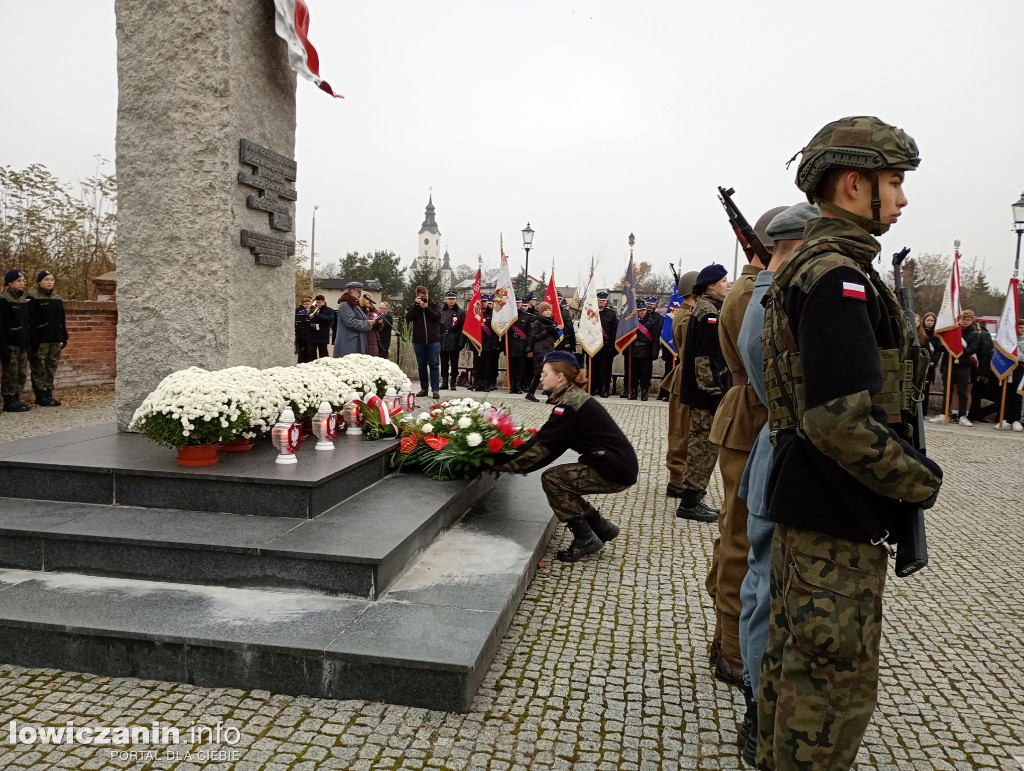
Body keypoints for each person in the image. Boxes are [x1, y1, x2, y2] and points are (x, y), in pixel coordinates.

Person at [757, 116, 943, 771]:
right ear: (854, 183)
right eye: (893, 182)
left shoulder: (824, 266)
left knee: (793, 689)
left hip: (817, 515)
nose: (902, 197)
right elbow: (837, 420)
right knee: (826, 710)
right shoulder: (838, 277)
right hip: (832, 524)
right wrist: (920, 478)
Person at [733, 202, 818, 766]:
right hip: (786, 455)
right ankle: (759, 704)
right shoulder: (777, 298)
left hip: (771, 454)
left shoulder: (763, 294)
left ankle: (756, 697)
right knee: (765, 589)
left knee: (759, 585)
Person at [705, 206, 784, 690]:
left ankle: (726, 632)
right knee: (740, 537)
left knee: (736, 532)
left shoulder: (752, 286)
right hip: (750, 414)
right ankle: (732, 648)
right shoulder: (751, 290)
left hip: (749, 414)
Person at [495, 350, 637, 562]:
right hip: (616, 465)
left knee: (554, 479)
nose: (540, 377)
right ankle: (601, 527)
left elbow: (544, 446)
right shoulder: (572, 399)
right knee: (565, 479)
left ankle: (585, 538)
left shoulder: (570, 405)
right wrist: (514, 463)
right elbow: (551, 446)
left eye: (544, 373)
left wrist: (500, 463)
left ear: (559, 376)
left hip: (614, 469)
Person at [676, 263, 731, 522]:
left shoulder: (706, 308)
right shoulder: (709, 313)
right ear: (711, 285)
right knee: (703, 446)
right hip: (704, 393)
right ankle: (689, 502)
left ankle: (694, 497)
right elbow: (704, 359)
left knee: (704, 445)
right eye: (723, 281)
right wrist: (714, 392)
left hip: (701, 392)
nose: (727, 285)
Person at [664, 271, 699, 499]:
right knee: (681, 431)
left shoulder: (688, 314)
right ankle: (677, 480)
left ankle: (682, 478)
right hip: (686, 378)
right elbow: (690, 351)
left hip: (686, 377)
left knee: (685, 430)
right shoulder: (687, 318)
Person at [25, 269, 69, 407]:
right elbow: (30, 321)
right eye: (46, 280)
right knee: (39, 367)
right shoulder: (33, 298)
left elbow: (61, 320)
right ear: (39, 282)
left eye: (51, 280)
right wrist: (34, 340)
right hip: (41, 340)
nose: (49, 282)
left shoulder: (57, 298)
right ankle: (40, 394)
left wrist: (63, 336)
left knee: (51, 367)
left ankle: (49, 393)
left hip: (55, 338)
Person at [0, 269, 33, 412]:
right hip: (11, 343)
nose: (22, 283)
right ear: (10, 283)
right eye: (19, 281)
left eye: (23, 281)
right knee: (10, 372)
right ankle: (9, 400)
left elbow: (26, 323)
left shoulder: (23, 300)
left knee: (21, 372)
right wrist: (3, 344)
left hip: (22, 342)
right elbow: (2, 324)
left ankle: (17, 398)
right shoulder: (4, 300)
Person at [405, 285, 442, 398]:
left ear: (427, 294)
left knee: (434, 365)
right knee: (421, 366)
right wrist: (416, 306)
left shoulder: (434, 304)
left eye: (424, 296)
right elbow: (408, 318)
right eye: (420, 296)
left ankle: (435, 390)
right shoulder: (414, 306)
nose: (422, 298)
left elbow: (437, 317)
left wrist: (427, 307)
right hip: (419, 340)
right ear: (417, 296)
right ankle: (424, 388)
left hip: (433, 340)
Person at [524, 302, 558, 401]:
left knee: (541, 374)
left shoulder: (551, 322)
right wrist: (546, 331)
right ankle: (549, 396)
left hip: (550, 350)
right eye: (546, 310)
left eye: (550, 310)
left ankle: (530, 393)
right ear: (541, 312)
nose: (549, 312)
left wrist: (554, 331)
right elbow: (534, 337)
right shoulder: (537, 322)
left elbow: (554, 339)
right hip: (540, 350)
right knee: (544, 373)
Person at [626, 303, 659, 400]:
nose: (642, 312)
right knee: (634, 373)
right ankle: (634, 391)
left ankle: (644, 391)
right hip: (634, 351)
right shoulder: (632, 322)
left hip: (646, 352)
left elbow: (655, 339)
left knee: (646, 373)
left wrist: (654, 353)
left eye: (644, 310)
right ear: (636, 311)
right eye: (640, 310)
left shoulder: (651, 322)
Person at [333, 282, 372, 358]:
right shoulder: (345, 304)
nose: (361, 294)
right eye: (360, 291)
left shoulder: (353, 303)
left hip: (355, 341)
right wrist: (367, 323)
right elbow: (351, 322)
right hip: (349, 343)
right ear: (353, 291)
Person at [592, 291, 618, 397]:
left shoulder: (611, 314)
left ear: (606, 301)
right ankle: (593, 388)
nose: (602, 302)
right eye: (600, 300)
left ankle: (604, 389)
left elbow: (614, 331)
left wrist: (612, 347)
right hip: (593, 346)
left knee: (605, 369)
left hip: (606, 347)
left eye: (604, 300)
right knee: (593, 368)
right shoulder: (590, 313)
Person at [439, 290, 465, 390]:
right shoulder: (442, 311)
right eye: (449, 299)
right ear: (446, 300)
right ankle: (444, 382)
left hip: (454, 340)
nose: (451, 301)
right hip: (443, 340)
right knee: (444, 362)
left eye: (453, 299)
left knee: (454, 363)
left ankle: (453, 382)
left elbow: (462, 328)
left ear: (456, 299)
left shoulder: (461, 312)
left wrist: (461, 342)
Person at [506, 299, 530, 393]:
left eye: (519, 303)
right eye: (516, 303)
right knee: (512, 368)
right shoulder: (509, 317)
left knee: (520, 368)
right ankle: (512, 386)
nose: (518, 305)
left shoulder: (526, 317)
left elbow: (529, 333)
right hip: (511, 345)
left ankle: (518, 386)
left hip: (522, 345)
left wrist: (528, 346)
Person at [919, 311, 940, 416]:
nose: (929, 322)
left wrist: (933, 362)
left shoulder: (937, 335)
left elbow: (938, 351)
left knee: (925, 389)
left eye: (932, 320)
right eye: (928, 320)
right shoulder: (920, 332)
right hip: (920, 363)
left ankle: (924, 412)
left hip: (930, 365)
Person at [307, 295, 335, 359]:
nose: (318, 304)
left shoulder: (329, 310)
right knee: (311, 354)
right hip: (312, 335)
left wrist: (318, 315)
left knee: (323, 354)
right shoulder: (312, 310)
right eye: (317, 302)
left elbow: (329, 320)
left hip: (323, 335)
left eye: (320, 302)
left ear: (324, 302)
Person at [359, 293, 384, 357]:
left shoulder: (373, 311)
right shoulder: (359, 311)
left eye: (370, 299)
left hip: (374, 340)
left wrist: (379, 322)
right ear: (362, 300)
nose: (369, 301)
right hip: (365, 339)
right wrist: (371, 320)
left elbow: (380, 328)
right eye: (367, 299)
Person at [294, 296, 316, 363]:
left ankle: (310, 361)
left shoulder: (314, 310)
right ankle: (301, 361)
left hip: (311, 333)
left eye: (308, 304)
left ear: (311, 304)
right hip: (301, 332)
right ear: (303, 304)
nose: (307, 305)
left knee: (310, 349)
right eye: (305, 304)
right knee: (301, 349)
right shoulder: (298, 310)